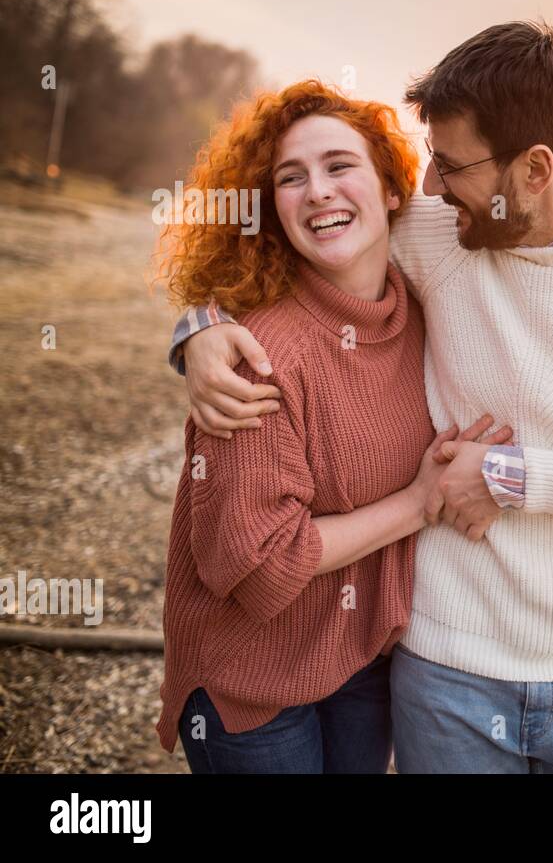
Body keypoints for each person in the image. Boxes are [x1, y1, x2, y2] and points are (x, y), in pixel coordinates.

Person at [171, 22, 553, 773]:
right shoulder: (444, 234)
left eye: (449, 165)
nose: (430, 188)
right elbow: (306, 245)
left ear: (536, 168)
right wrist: (200, 330)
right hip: (442, 667)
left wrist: (507, 476)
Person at [153, 79, 512, 772]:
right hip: (249, 683)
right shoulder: (258, 357)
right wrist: (416, 502)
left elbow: (538, 227)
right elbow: (261, 566)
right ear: (272, 209)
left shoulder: (420, 307)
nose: (317, 190)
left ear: (391, 192)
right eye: (292, 177)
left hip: (359, 659)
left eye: (339, 166)